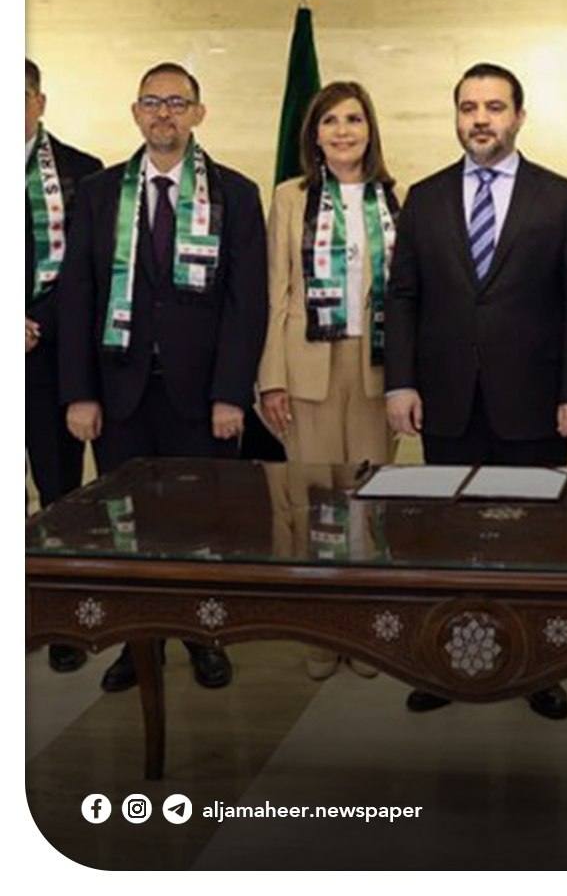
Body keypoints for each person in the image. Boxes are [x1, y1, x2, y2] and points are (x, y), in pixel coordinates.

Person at [385, 61, 567, 720]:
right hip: (446, 400)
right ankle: (450, 662)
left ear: (519, 116)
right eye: (469, 107)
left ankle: (536, 667)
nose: (480, 119)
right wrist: (400, 382)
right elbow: (403, 296)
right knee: (448, 538)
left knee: (534, 540)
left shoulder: (559, 197)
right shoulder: (423, 198)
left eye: (494, 107)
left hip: (534, 402)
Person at [58, 62, 267, 693]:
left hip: (201, 399)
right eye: (152, 102)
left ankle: (204, 637)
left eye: (177, 102)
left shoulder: (235, 193)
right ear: (135, 113)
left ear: (198, 114)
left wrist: (231, 394)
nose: (163, 113)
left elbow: (247, 305)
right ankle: (137, 643)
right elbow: (77, 296)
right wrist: (79, 393)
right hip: (120, 393)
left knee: (202, 524)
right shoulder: (99, 193)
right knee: (126, 527)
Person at [258, 80, 400, 680]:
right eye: (330, 121)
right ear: (313, 134)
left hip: (377, 367)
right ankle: (320, 630)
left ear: (370, 130)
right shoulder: (290, 197)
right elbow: (276, 291)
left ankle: (365, 629)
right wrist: (271, 378)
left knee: (370, 501)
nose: (343, 131)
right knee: (311, 502)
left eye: (354, 119)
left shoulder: (396, 196)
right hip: (307, 365)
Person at [25, 57, 103, 674]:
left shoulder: (83, 173)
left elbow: (85, 274)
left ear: (39, 102)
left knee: (60, 496)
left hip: (48, 357)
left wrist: (35, 324)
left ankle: (64, 619)